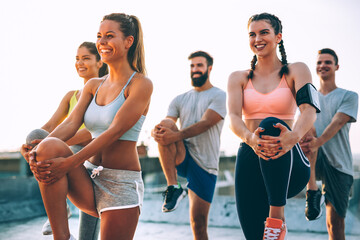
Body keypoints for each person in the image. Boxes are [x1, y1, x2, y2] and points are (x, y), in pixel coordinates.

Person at [27, 13, 152, 240]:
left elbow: (114, 131)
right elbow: (71, 124)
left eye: (109, 36)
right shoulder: (93, 85)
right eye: (99, 36)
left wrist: (70, 162)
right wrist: (37, 150)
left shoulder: (140, 84)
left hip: (120, 186)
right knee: (47, 146)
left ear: (128, 41)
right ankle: (61, 236)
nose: (102, 42)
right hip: (88, 177)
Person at [227, 13, 319, 240]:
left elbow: (309, 110)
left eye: (264, 32)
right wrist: (250, 139)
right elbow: (233, 118)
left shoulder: (296, 70)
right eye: (252, 34)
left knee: (270, 124)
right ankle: (270, 229)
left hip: (289, 162)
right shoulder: (238, 77)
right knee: (253, 236)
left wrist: (294, 136)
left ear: (278, 37)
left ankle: (276, 218)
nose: (257, 38)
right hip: (251, 162)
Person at [21, 41, 106, 239]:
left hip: (92, 162)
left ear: (100, 62)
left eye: (86, 58)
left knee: (87, 236)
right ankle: (62, 208)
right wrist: (28, 147)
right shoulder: (71, 96)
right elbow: (50, 127)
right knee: (35, 136)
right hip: (67, 155)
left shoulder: (106, 92)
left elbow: (95, 133)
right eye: (77, 59)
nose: (80, 63)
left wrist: (56, 145)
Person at [152, 51, 226, 240]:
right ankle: (173, 186)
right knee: (164, 125)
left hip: (205, 165)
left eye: (199, 66)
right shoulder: (180, 98)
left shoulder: (219, 95)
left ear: (209, 68)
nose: (195, 70)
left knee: (198, 224)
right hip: (183, 155)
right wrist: (158, 131)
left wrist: (174, 135)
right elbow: (168, 122)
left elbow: (206, 123)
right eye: (192, 66)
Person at [300, 48, 358, 240]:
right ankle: (312, 190)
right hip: (312, 160)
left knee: (334, 224)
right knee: (307, 127)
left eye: (327, 62)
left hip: (338, 163)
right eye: (319, 62)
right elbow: (299, 126)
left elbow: (338, 122)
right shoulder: (309, 97)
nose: (322, 65)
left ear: (336, 66)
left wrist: (318, 142)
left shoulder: (349, 96)